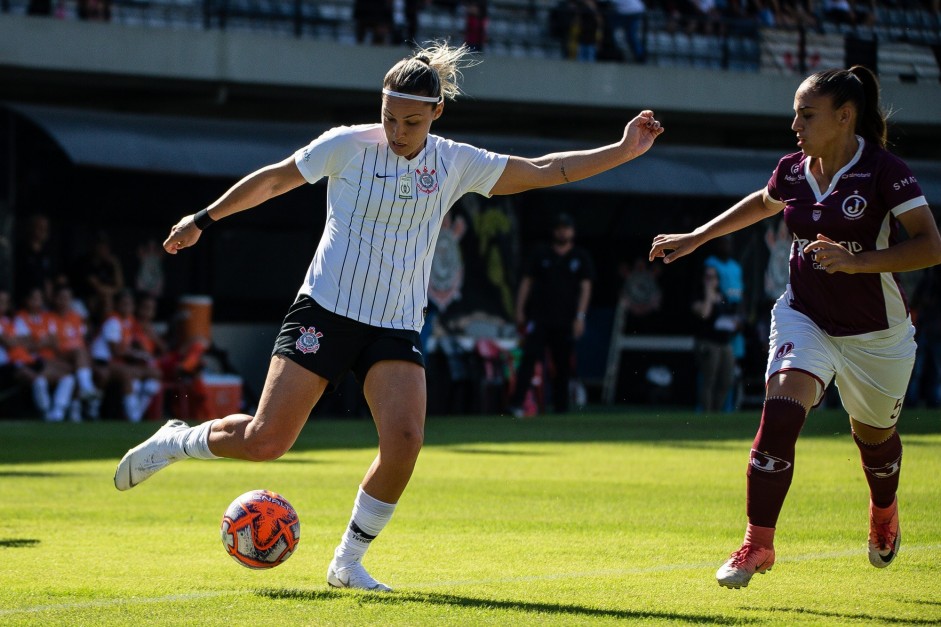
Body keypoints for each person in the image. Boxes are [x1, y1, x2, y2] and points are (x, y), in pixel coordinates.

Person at [113, 42, 664, 592]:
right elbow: (275, 179)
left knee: (404, 441)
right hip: (325, 311)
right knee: (265, 442)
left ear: (436, 114)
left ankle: (346, 563)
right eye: (389, 117)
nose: (398, 131)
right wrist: (203, 218)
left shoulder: (454, 161)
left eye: (411, 121)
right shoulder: (347, 146)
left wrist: (622, 150)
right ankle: (177, 441)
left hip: (395, 324)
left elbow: (544, 169)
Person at [649, 66, 941, 589]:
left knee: (875, 442)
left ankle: (883, 510)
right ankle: (757, 544)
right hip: (804, 315)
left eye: (807, 114)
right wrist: (696, 236)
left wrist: (857, 262)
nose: (795, 125)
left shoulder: (884, 170)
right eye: (795, 113)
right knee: (781, 411)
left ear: (845, 117)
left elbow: (930, 246)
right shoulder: (793, 169)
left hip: (877, 335)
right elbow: (764, 203)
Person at [508, 212, 595, 417]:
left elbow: (586, 287)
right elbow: (527, 282)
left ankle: (561, 408)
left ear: (572, 231)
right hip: (540, 318)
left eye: (566, 228)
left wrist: (580, 317)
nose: (562, 232)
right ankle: (517, 404)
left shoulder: (580, 257)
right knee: (529, 359)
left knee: (563, 365)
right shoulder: (542, 254)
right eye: (559, 228)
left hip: (566, 319)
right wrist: (519, 309)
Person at [691, 264, 739, 412]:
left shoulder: (722, 296)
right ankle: (706, 413)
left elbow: (729, 315)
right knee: (708, 380)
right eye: (707, 277)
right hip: (708, 343)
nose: (710, 281)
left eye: (713, 277)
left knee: (726, 380)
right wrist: (708, 294)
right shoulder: (698, 296)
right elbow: (704, 314)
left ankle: (717, 412)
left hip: (724, 342)